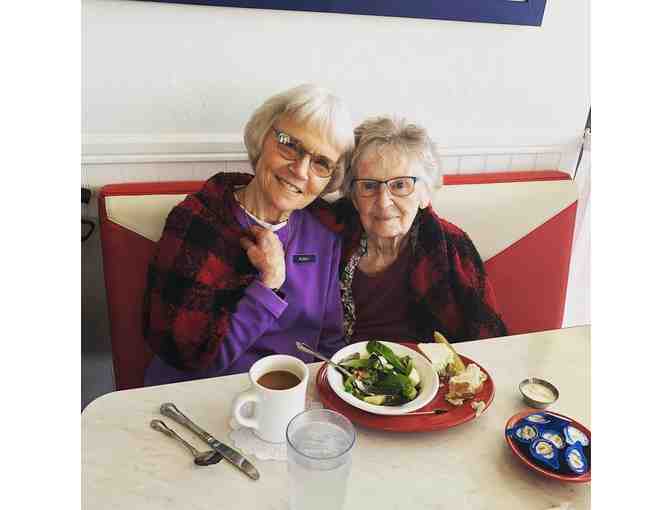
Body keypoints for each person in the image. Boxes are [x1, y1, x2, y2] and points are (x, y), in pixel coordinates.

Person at [143, 84, 354, 385]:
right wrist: (268, 287)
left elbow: (328, 344)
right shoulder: (197, 222)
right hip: (197, 395)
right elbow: (188, 362)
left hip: (290, 397)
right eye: (289, 145)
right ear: (261, 137)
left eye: (321, 163)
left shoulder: (323, 235)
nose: (300, 170)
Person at [333, 116, 507, 344]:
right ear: (354, 197)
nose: (384, 202)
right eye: (369, 185)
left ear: (425, 194)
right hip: (344, 363)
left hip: (429, 364)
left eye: (400, 185)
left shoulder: (452, 245)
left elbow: (489, 337)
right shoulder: (331, 237)